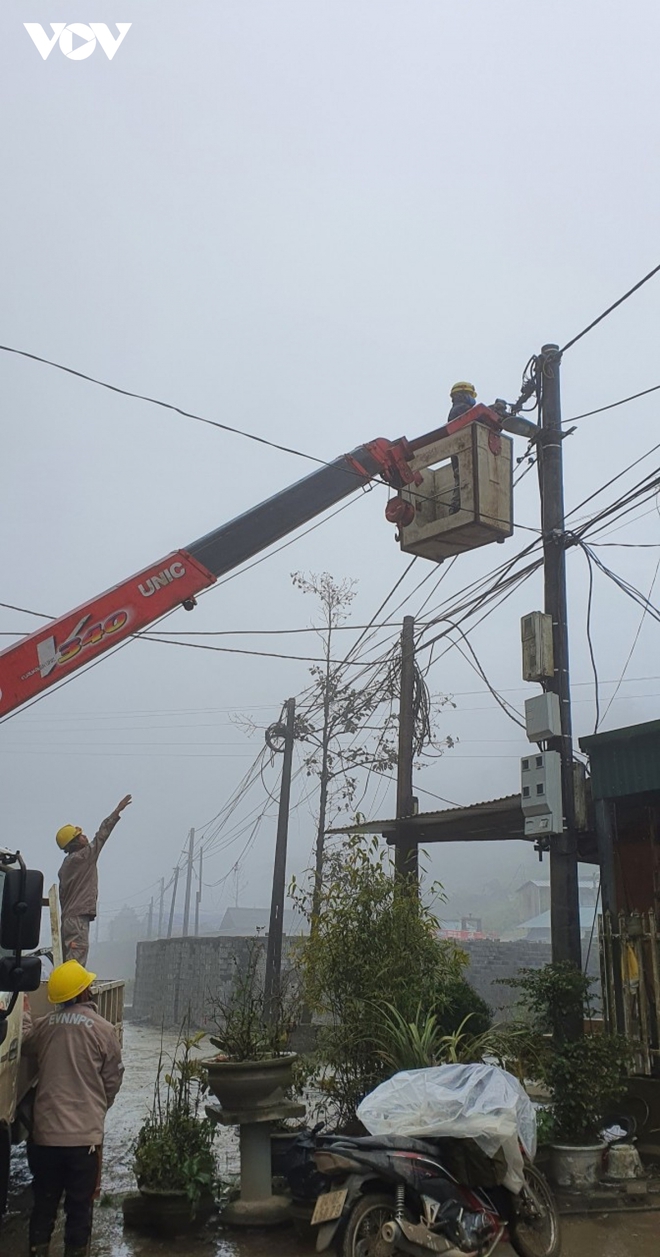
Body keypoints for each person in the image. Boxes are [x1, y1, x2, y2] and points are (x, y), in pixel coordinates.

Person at [22, 959, 124, 1257]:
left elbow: (26, 1043)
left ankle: (38, 1249)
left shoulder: (45, 1027)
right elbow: (112, 1080)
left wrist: (26, 1015)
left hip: (45, 1139)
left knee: (44, 1205)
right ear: (84, 993)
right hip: (83, 1143)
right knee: (79, 1210)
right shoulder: (104, 1031)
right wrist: (97, 1108)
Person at [56, 795, 132, 966]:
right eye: (81, 836)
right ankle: (77, 992)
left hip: (68, 920)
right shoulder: (84, 857)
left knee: (68, 963)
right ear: (74, 842)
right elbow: (101, 835)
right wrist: (117, 812)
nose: (85, 837)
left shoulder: (65, 866)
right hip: (77, 921)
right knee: (76, 965)